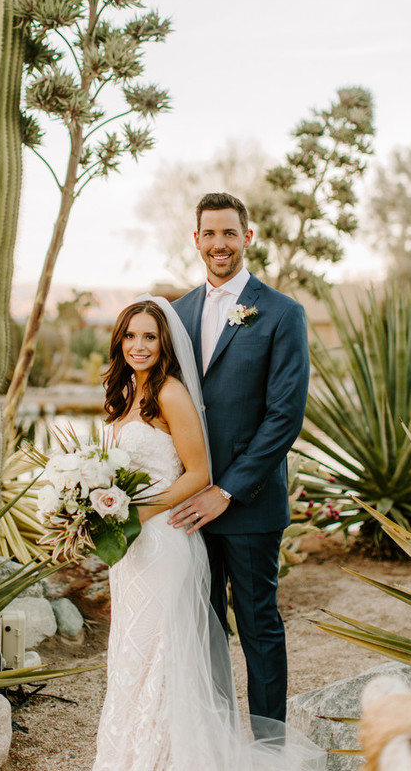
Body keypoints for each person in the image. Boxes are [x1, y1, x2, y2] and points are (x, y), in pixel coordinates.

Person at [92, 299, 324, 770]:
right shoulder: (123, 394)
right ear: (119, 340)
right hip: (131, 549)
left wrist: (137, 511)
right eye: (131, 336)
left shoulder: (171, 392)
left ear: (164, 344)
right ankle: (132, 753)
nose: (139, 345)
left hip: (162, 540)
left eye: (150, 337)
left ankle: (174, 757)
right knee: (132, 651)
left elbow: (198, 473)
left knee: (165, 654)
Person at [170, 192, 310, 724]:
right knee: (201, 629)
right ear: (197, 239)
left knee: (257, 625)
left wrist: (224, 489)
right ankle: (214, 741)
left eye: (229, 233)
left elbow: (284, 418)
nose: (219, 244)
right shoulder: (177, 313)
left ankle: (270, 748)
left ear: (247, 238)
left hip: (247, 505)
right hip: (187, 507)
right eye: (209, 233)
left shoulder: (281, 313)